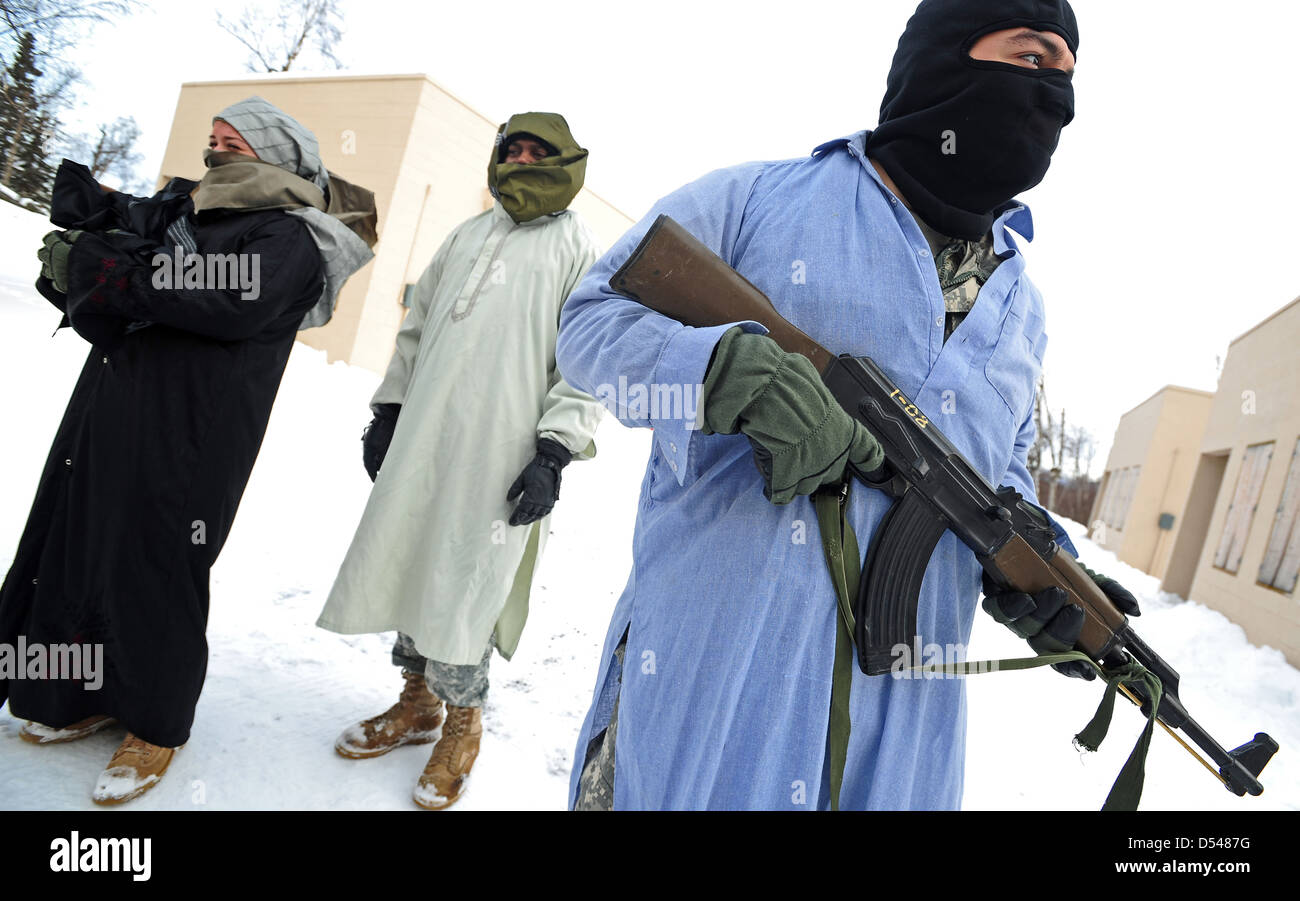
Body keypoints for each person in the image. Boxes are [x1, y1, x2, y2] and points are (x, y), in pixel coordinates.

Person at [556, 0, 1139, 810]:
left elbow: (1006, 474)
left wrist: (1037, 572)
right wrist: (719, 367)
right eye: (1035, 61)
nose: (1057, 101)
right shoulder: (759, 198)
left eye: (1071, 79)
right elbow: (586, 325)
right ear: (946, 58)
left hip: (897, 747)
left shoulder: (1023, 307)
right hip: (708, 702)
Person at [0, 96, 376, 805]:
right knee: (86, 544)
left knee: (159, 564)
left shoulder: (290, 237)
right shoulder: (194, 210)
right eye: (212, 139)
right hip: (117, 404)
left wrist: (100, 268)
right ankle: (77, 691)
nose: (215, 150)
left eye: (232, 141)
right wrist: (93, 237)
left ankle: (155, 723)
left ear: (277, 154)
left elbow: (215, 296)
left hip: (195, 432)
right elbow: (141, 258)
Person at [317, 112, 604, 811]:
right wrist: (388, 409)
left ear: (566, 164)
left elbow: (588, 362)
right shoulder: (467, 235)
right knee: (411, 557)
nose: (522, 159)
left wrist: (554, 453)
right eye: (514, 149)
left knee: (467, 585)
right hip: (427, 438)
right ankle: (416, 704)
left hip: (501, 453)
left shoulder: (579, 249)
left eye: (539, 152)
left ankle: (464, 724)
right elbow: (415, 326)